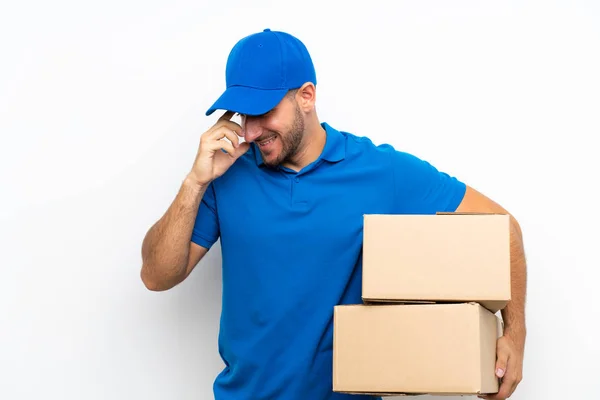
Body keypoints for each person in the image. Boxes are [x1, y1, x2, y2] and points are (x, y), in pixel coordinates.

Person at [140, 28, 527, 400]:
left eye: (264, 112)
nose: (252, 132)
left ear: (306, 96)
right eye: (242, 115)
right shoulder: (226, 176)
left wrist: (515, 334)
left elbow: (501, 228)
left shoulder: (379, 172)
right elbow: (156, 276)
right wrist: (195, 182)